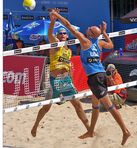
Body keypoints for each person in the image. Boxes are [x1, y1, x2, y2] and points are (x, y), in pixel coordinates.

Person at [50, 9, 131, 145]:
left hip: (95, 77)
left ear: (91, 34)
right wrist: (104, 32)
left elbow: (68, 25)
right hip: (99, 75)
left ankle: (125, 131)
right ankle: (91, 131)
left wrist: (56, 15)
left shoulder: (85, 41)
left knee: (109, 106)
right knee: (95, 105)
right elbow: (111, 45)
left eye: (90, 29)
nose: (87, 28)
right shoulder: (99, 43)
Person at [31, 11, 90, 137]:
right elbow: (49, 34)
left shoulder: (68, 51)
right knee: (46, 108)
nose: (63, 35)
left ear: (67, 37)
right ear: (58, 36)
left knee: (78, 105)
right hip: (54, 81)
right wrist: (53, 21)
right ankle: (35, 126)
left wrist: (73, 83)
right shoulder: (56, 45)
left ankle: (89, 129)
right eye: (61, 33)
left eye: (64, 33)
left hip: (66, 81)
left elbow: (69, 69)